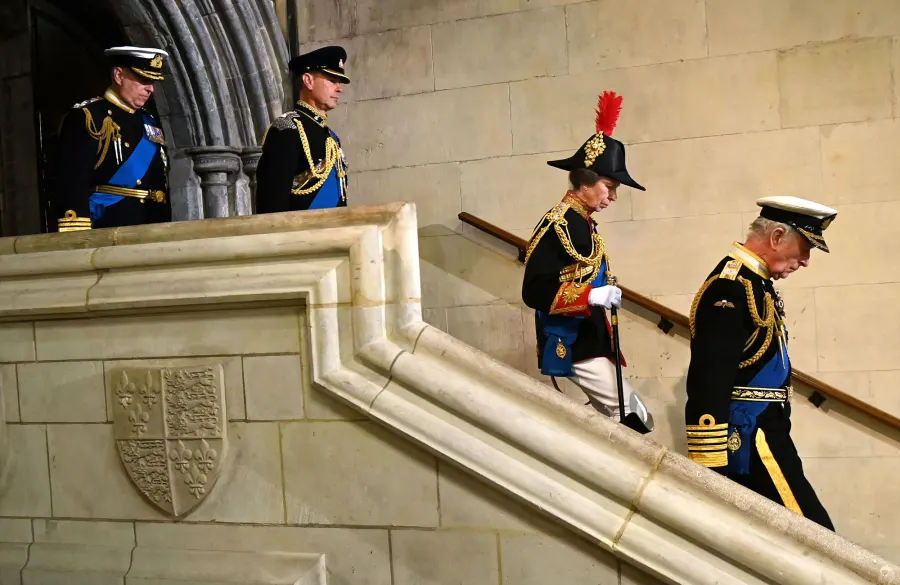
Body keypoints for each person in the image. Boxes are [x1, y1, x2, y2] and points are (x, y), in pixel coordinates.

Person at [684, 195, 837, 530]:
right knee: (814, 536)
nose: (806, 261)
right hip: (750, 437)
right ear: (777, 236)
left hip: (767, 430)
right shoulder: (729, 287)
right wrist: (710, 458)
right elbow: (710, 376)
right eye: (805, 248)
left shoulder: (755, 282)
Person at [521, 91, 654, 435]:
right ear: (584, 181)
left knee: (623, 419)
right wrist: (590, 296)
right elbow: (534, 290)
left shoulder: (582, 223)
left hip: (593, 338)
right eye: (609, 186)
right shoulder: (559, 223)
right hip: (573, 340)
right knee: (630, 416)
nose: (614, 196)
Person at [55, 46, 171, 232]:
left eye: (152, 81)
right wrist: (76, 232)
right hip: (110, 225)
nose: (150, 88)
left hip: (152, 224)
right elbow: (73, 182)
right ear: (119, 76)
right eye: (144, 80)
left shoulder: (149, 120)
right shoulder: (89, 117)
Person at [255, 45, 350, 213]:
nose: (339, 88)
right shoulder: (288, 130)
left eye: (339, 82)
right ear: (308, 81)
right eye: (332, 80)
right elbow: (272, 207)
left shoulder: (331, 137)